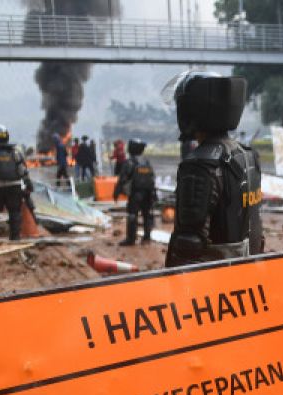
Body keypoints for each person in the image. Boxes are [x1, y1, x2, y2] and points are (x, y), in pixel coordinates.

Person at [165, 70, 263, 267]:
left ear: (191, 108)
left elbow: (189, 243)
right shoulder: (247, 155)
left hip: (214, 282)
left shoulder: (199, 165)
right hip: (249, 269)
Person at [113, 139, 157, 246]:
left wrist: (116, 193)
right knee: (147, 215)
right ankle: (147, 237)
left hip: (136, 194)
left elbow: (122, 179)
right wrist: (154, 194)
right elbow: (152, 178)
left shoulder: (129, 162)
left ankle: (131, 239)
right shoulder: (147, 162)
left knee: (133, 215)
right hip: (148, 193)